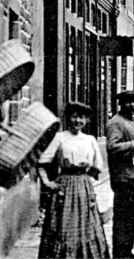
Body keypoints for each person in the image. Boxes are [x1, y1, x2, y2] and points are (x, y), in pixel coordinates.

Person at [37, 102, 109, 258]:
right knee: (63, 225)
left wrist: (88, 173)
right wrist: (47, 182)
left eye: (82, 118)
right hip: (64, 187)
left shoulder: (90, 139)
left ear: (87, 120)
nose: (78, 121)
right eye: (74, 116)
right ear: (68, 118)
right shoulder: (59, 138)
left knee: (87, 225)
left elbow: (98, 167)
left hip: (84, 187)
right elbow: (42, 163)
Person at [106, 91, 134, 259]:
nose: (132, 105)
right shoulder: (116, 123)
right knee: (124, 219)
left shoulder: (130, 122)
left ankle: (126, 252)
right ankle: (120, 254)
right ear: (121, 104)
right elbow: (112, 147)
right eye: (128, 102)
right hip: (126, 179)